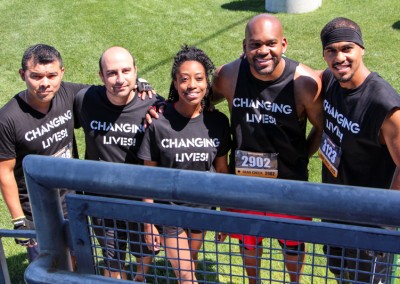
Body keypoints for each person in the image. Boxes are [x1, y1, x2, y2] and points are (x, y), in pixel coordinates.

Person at [212, 14, 323, 283]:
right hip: (245, 185)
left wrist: (301, 156)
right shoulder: (228, 75)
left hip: (290, 186)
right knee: (249, 243)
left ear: (284, 44)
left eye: (271, 43)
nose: (263, 51)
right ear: (244, 46)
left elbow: (321, 129)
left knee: (293, 245)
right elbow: (199, 98)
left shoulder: (304, 83)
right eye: (255, 44)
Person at [138, 45, 231, 283]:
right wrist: (149, 222)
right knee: (188, 276)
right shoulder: (159, 122)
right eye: (184, 79)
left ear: (207, 83)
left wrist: (226, 213)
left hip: (202, 209)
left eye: (199, 78)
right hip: (169, 210)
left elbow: (222, 170)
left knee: (189, 265)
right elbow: (148, 176)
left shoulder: (218, 122)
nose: (192, 85)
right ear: (175, 82)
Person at [318, 17, 400, 283]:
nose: (339, 57)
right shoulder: (331, 80)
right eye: (331, 51)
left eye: (346, 48)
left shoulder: (383, 104)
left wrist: (384, 220)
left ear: (361, 49)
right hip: (335, 211)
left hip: (369, 226)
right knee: (342, 275)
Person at [74, 46, 164, 281]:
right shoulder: (85, 100)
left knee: (144, 251)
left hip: (140, 199)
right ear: (101, 76)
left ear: (136, 71)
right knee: (112, 259)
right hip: (101, 200)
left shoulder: (154, 105)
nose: (120, 79)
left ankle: (139, 278)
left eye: (126, 71)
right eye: (112, 73)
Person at [0, 44, 88, 263]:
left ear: (62, 73)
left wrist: (139, 86)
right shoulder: (8, 119)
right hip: (37, 210)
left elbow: (108, 94)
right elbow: (5, 172)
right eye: (36, 76)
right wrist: (19, 219)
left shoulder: (68, 93)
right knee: (49, 269)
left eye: (52, 75)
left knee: (79, 260)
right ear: (23, 75)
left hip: (72, 200)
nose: (45, 83)